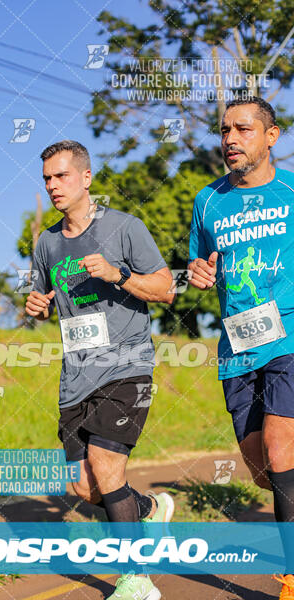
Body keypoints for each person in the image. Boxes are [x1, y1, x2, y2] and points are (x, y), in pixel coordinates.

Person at [26, 140, 175, 600]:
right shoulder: (46, 244)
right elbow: (43, 299)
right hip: (76, 377)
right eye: (47, 178)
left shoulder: (125, 228)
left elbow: (167, 288)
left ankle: (136, 582)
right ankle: (148, 509)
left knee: (107, 464)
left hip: (126, 365)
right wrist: (35, 306)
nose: (53, 185)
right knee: (85, 486)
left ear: (86, 178)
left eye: (62, 176)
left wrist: (118, 275)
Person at [188, 96, 294, 599]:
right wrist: (199, 274)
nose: (229, 139)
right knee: (260, 468)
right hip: (237, 344)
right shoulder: (208, 201)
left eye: (243, 129)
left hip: (289, 336)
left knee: (280, 447)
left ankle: (291, 577)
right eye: (224, 130)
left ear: (271, 136)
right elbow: (198, 265)